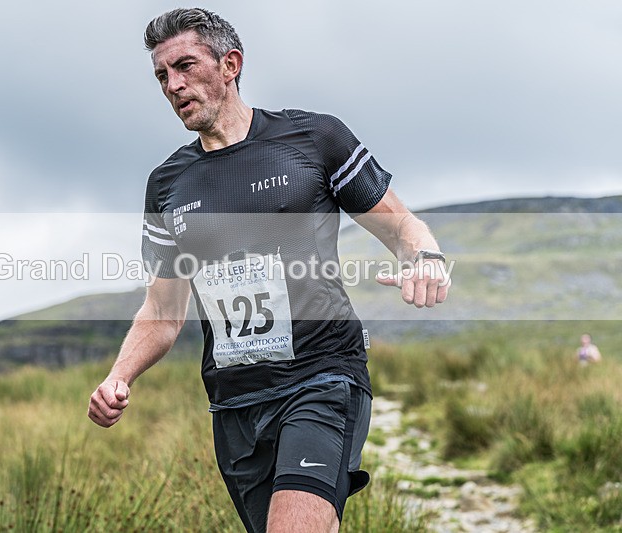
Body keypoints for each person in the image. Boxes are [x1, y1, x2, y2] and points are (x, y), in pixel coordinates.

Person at [87, 8, 450, 532]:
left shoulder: (314, 139)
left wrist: (426, 260)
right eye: (162, 75)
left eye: (186, 66)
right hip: (235, 403)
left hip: (321, 378)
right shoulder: (167, 184)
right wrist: (119, 377)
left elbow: (400, 228)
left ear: (230, 63)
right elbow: (164, 311)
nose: (174, 85)